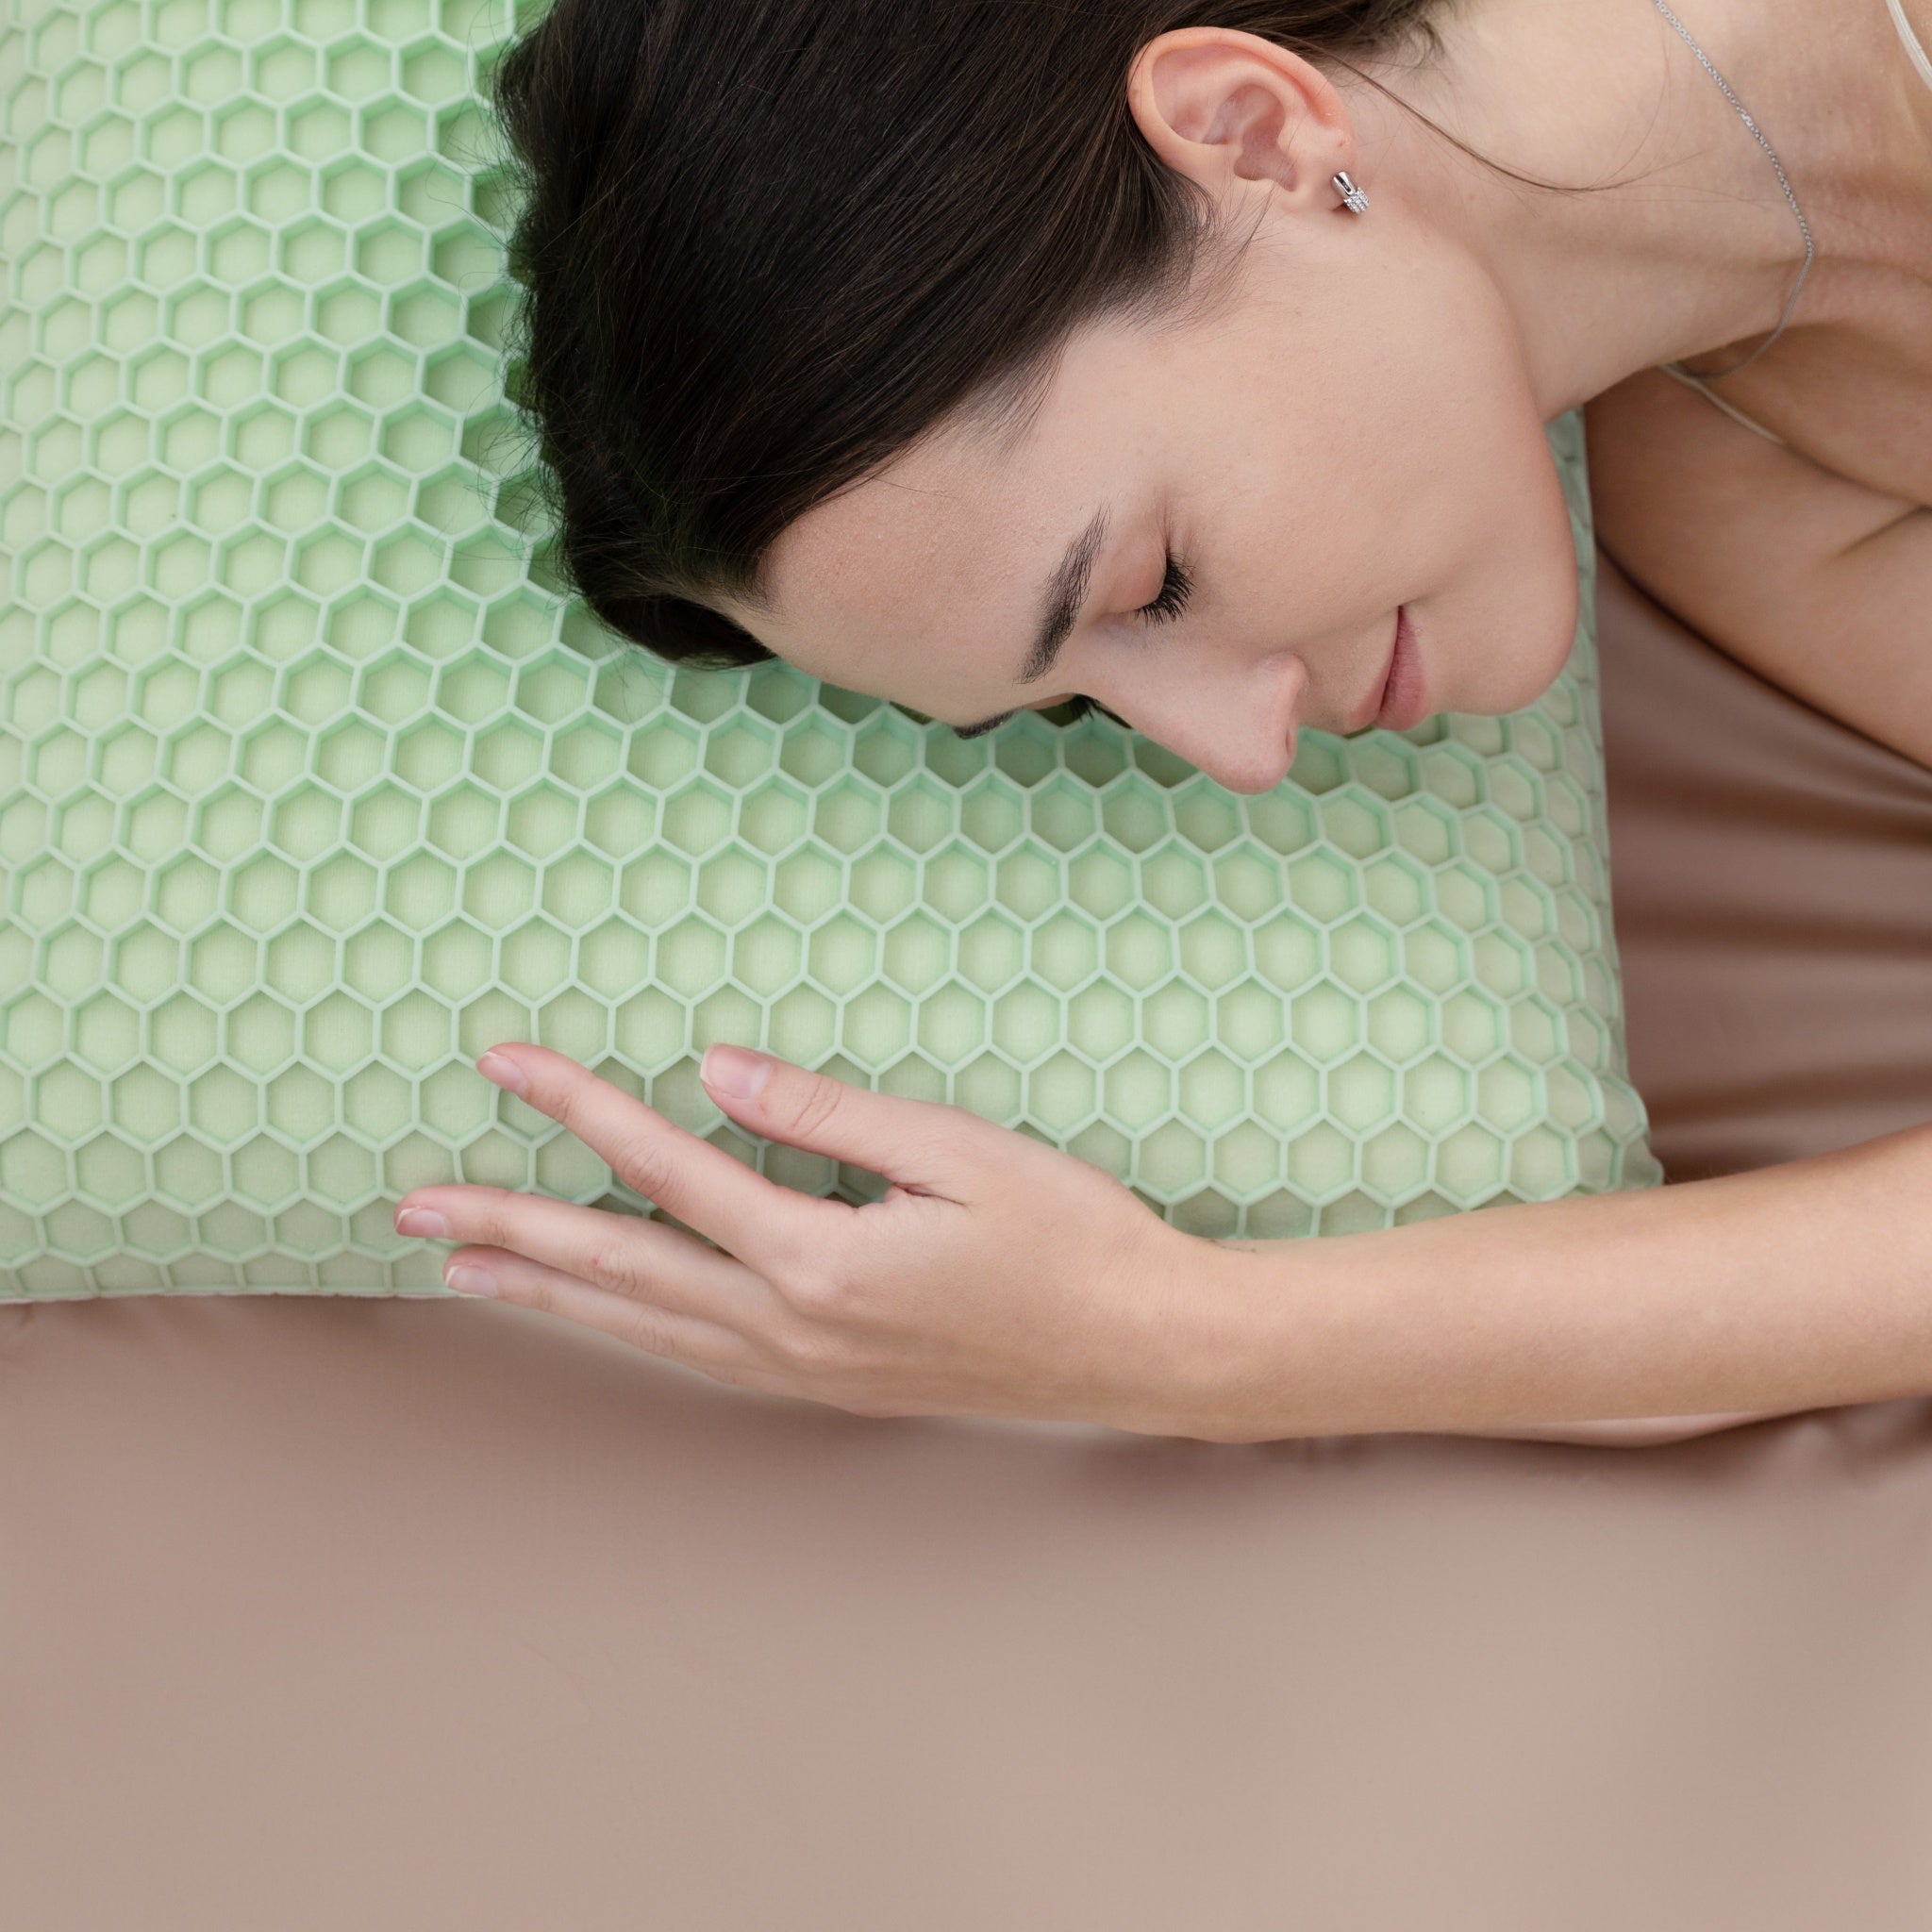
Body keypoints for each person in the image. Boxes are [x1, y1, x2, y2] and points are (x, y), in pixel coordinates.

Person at [408, 0, 1932, 1446]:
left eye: (1153, 582)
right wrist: (1177, 1332)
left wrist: (1195, 1353)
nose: (1246, 755)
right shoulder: (1742, 492)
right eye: (1081, 700)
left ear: (1251, 132)